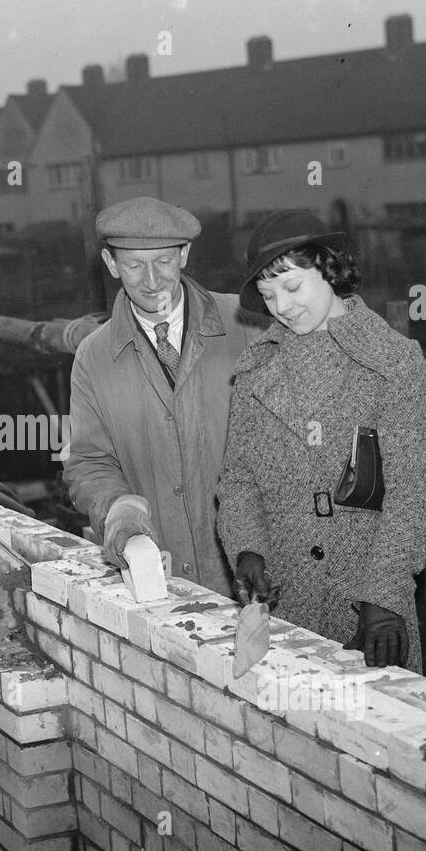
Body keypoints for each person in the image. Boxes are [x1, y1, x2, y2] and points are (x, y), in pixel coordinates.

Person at [216, 210, 426, 671]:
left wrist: (384, 596)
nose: (280, 306)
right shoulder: (255, 372)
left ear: (330, 268)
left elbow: (414, 494)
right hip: (284, 609)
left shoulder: (392, 363)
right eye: (267, 295)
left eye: (293, 286)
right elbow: (238, 482)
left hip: (369, 612)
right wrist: (247, 549)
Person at [65, 196, 268, 598]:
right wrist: (116, 509)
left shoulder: (249, 325)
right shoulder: (94, 355)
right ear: (111, 264)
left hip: (258, 570)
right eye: (135, 265)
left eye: (162, 261)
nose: (152, 280)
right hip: (162, 576)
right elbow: (90, 462)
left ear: (185, 255)